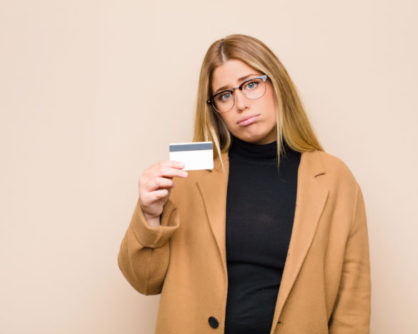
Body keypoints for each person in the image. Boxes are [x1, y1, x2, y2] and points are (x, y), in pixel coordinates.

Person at [118, 34, 371, 334]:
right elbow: (145, 281)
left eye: (251, 84)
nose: (240, 104)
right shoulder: (189, 176)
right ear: (215, 109)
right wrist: (149, 215)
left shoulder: (334, 179)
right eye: (224, 95)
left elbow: (351, 305)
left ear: (277, 83)